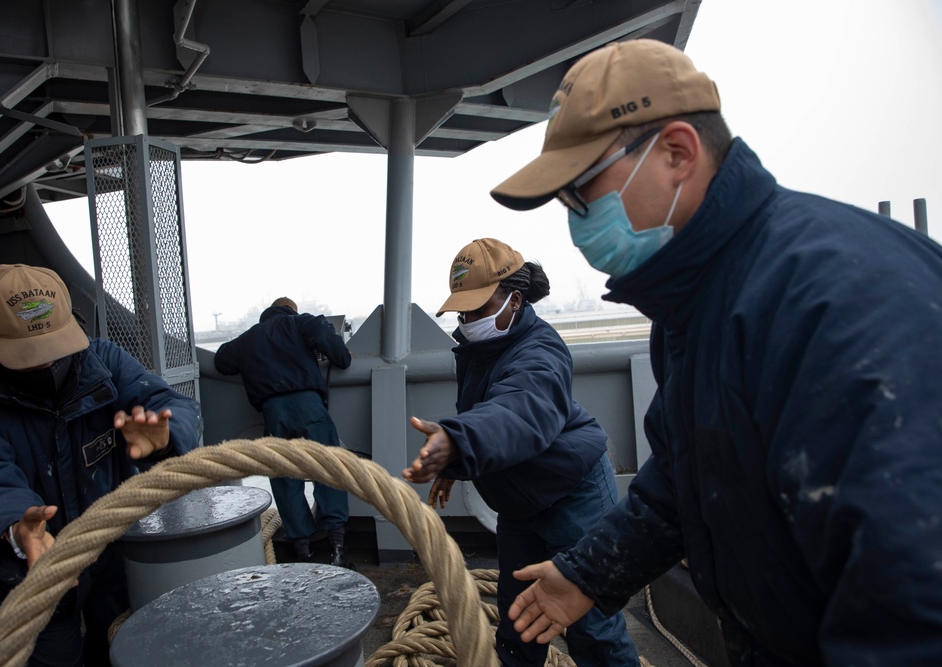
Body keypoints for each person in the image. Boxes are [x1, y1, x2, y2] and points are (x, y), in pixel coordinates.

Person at [488, 38, 942, 665]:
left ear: (677, 152)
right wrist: (590, 573)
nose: (576, 220)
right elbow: (686, 476)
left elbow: (913, 597)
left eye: (583, 191)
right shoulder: (693, 306)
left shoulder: (838, 300)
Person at [0, 264, 202, 667]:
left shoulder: (105, 362)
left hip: (116, 564)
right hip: (34, 575)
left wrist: (165, 438)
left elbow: (171, 404)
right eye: (27, 353)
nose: (45, 364)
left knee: (132, 650)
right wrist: (16, 530)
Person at [402, 238, 639, 667]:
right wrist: (456, 462)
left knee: (593, 625)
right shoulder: (479, 349)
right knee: (518, 620)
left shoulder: (540, 351)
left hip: (574, 493)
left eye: (477, 308)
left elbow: (520, 410)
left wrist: (459, 441)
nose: (467, 320)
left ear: (514, 300)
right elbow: (488, 414)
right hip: (518, 502)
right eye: (462, 311)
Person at [214, 296, 352, 567]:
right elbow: (340, 356)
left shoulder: (248, 338)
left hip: (273, 411)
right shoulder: (300, 322)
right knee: (329, 468)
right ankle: (336, 547)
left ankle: (302, 549)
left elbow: (221, 362)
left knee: (284, 474)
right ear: (291, 310)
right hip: (309, 405)